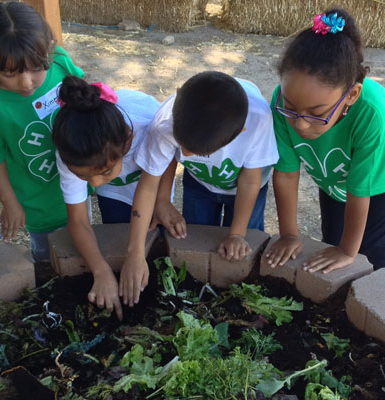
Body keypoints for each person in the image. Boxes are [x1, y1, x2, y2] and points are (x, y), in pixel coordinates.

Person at [120, 71, 279, 307]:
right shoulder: (166, 121)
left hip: (245, 188)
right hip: (199, 183)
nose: (185, 154)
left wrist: (236, 233)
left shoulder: (258, 120)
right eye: (180, 144)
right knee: (194, 236)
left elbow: (250, 181)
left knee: (243, 245)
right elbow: (149, 183)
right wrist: (136, 251)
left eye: (199, 152)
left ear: (238, 134)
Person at [266, 9, 385, 273]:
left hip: (376, 190)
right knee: (332, 244)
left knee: (370, 258)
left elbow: (361, 189)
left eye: (317, 114)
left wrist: (347, 250)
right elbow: (286, 174)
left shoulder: (372, 112)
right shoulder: (279, 103)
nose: (300, 124)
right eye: (291, 107)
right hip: (333, 184)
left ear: (351, 95)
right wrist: (289, 234)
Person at [53, 75, 160, 320]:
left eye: (104, 172)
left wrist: (137, 254)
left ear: (127, 144)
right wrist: (101, 271)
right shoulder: (71, 150)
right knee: (116, 226)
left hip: (150, 181)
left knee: (152, 232)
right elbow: (78, 220)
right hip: (118, 189)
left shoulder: (149, 125)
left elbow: (158, 175)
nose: (94, 184)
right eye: (83, 177)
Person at [0, 1, 84, 262]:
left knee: (83, 239)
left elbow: (86, 97)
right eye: (9, 73)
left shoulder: (61, 63)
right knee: (47, 257)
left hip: (78, 181)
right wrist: (9, 202)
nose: (26, 82)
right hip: (37, 196)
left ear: (49, 49)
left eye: (37, 67)